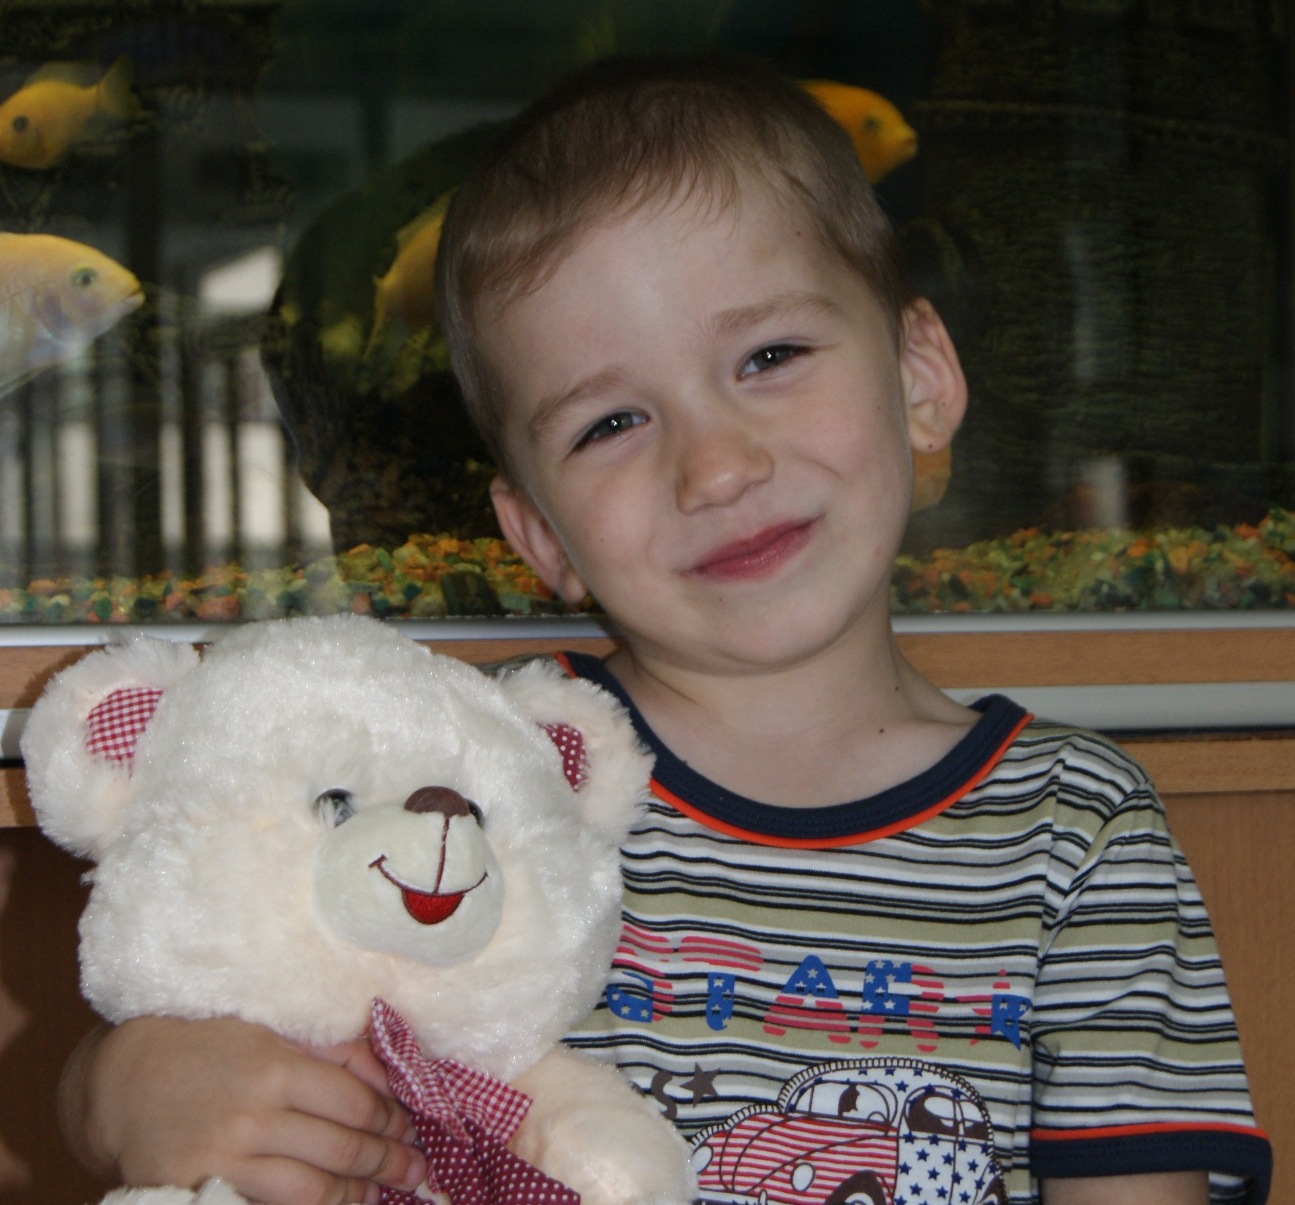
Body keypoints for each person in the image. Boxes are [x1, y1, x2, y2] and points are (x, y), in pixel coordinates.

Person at [61, 53, 1270, 1205]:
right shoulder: (485, 773)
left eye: (768, 355)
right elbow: (221, 981)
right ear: (538, 532)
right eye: (611, 423)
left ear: (919, 378)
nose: (715, 464)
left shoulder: (1078, 830)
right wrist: (123, 1085)